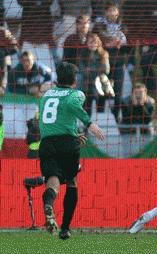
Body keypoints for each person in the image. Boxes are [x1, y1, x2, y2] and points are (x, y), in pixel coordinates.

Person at [39, 62, 105, 240]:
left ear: (58, 78)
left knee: (53, 180)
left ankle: (48, 204)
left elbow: (55, 119)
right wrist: (89, 124)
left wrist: (74, 133)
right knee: (71, 182)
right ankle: (65, 228)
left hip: (46, 143)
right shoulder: (77, 94)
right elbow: (71, 105)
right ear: (75, 80)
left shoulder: (46, 95)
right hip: (67, 143)